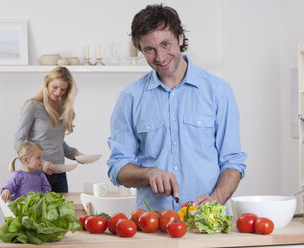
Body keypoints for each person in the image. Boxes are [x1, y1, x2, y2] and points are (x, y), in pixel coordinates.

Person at [107, 4, 247, 211]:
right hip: (153, 224)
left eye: (166, 44)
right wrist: (149, 174)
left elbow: (232, 162)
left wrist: (215, 201)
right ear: (141, 50)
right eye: (149, 49)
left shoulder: (218, 91)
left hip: (207, 224)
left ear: (180, 38)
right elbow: (118, 167)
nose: (160, 57)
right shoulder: (130, 98)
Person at [14, 66, 83, 193]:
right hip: (36, 174)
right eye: (55, 87)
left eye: (63, 90)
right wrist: (42, 164)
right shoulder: (33, 106)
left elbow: (57, 141)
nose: (58, 93)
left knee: (62, 212)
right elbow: (18, 141)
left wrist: (74, 154)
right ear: (47, 83)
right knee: (38, 212)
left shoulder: (62, 108)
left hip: (59, 173)